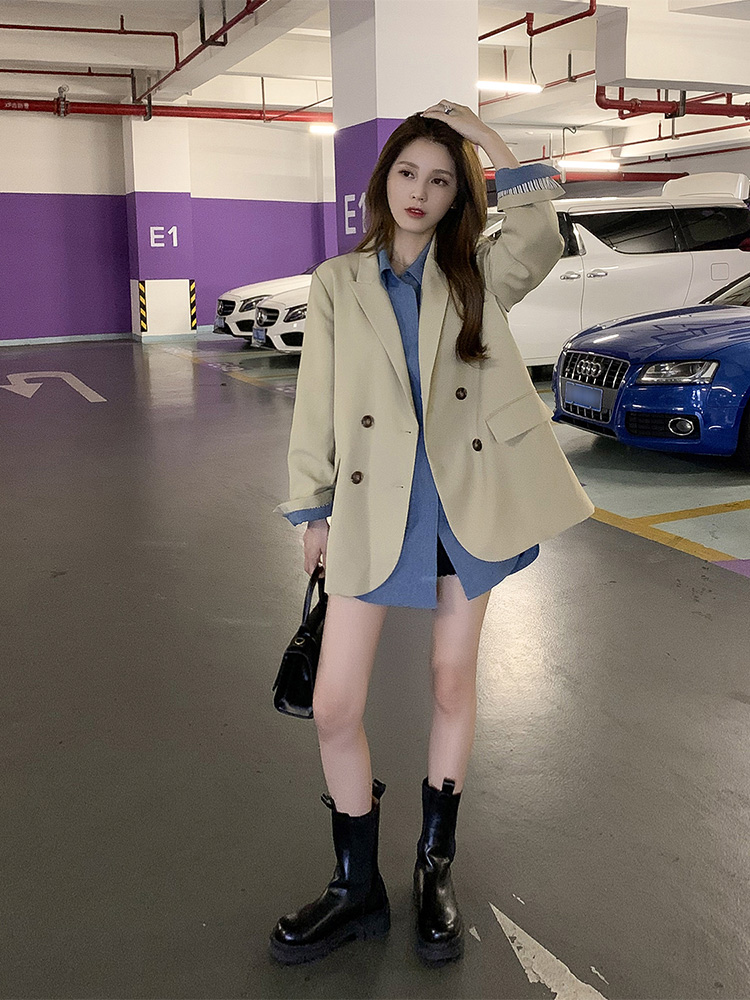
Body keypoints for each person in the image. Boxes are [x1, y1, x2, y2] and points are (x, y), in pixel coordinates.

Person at [270, 100, 594, 966]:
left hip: (463, 505)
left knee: (452, 681)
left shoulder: (476, 274)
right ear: (384, 183)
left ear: (458, 196)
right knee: (334, 704)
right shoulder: (339, 282)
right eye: (408, 173)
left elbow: (541, 236)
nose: (420, 191)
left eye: (442, 180)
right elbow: (316, 404)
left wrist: (490, 142)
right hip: (372, 506)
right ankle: (356, 888)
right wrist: (310, 510)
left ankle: (433, 867)